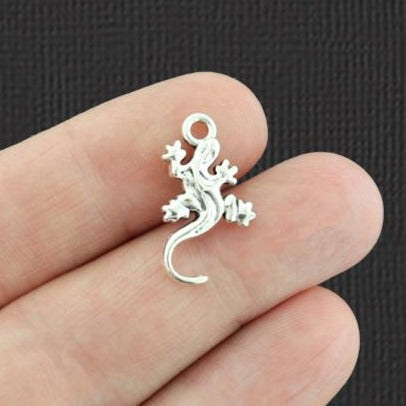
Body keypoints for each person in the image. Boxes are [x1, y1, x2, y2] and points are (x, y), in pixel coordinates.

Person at [0, 72, 383, 405]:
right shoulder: (197, 170)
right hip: (206, 204)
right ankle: (208, 221)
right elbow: (187, 170)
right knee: (199, 218)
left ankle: (219, 216)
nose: (209, 153)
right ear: (204, 152)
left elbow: (192, 171)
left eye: (209, 152)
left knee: (211, 211)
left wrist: (202, 170)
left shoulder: (198, 169)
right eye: (208, 151)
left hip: (209, 205)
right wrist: (200, 170)